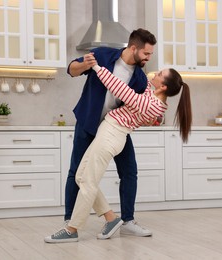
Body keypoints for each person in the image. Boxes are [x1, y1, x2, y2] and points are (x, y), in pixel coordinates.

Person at [44, 60, 192, 243]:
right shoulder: (152, 95)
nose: (155, 73)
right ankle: (111, 218)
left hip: (112, 135)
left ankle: (72, 229)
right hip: (108, 132)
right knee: (80, 177)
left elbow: (121, 89)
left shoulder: (152, 105)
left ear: (163, 86)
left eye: (160, 74)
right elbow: (144, 81)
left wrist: (97, 67)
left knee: (88, 181)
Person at [61, 28, 157, 239]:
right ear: (134, 48)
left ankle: (128, 221)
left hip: (115, 128)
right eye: (146, 53)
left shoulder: (140, 78)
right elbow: (71, 70)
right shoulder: (103, 55)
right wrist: (83, 65)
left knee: (129, 171)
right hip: (88, 122)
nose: (149, 58)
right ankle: (70, 219)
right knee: (76, 171)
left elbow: (140, 107)